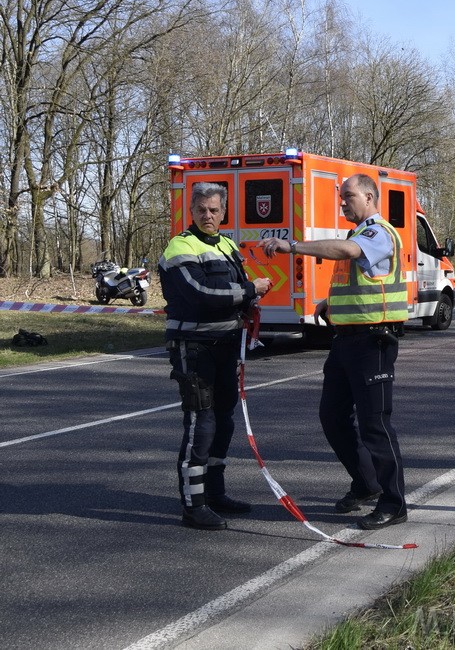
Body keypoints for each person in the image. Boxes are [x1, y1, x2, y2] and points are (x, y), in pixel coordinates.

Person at [260, 174, 408, 530]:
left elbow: (348, 253)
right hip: (345, 340)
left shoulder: (378, 232)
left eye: (348, 197)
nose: (342, 203)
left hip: (373, 341)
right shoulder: (357, 233)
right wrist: (331, 302)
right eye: (341, 197)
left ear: (370, 197)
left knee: (376, 424)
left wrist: (292, 246)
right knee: (332, 417)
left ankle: (394, 502)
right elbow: (357, 276)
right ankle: (366, 483)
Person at [160, 182, 271, 530]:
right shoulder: (180, 246)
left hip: (227, 345)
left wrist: (248, 299)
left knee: (224, 420)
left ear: (223, 212)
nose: (207, 215)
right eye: (201, 210)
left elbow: (236, 290)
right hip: (193, 348)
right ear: (190, 211)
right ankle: (194, 505)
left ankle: (215, 492)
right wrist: (250, 289)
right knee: (201, 424)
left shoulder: (227, 245)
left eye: (214, 210)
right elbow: (200, 294)